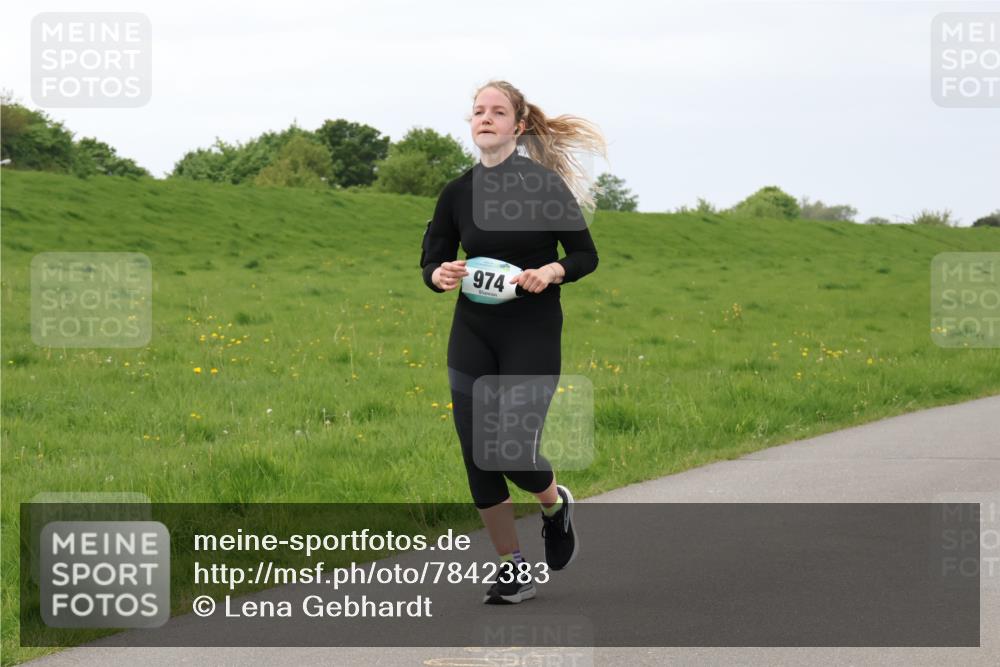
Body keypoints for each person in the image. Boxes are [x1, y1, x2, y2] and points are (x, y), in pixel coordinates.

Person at [420, 80, 607, 604]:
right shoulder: (457, 191)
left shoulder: (545, 186)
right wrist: (440, 275)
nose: (485, 118)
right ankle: (512, 567)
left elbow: (585, 255)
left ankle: (554, 505)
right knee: (477, 453)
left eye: (497, 111)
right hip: (473, 332)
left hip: (533, 330)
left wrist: (552, 269)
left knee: (511, 450)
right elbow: (432, 257)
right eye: (477, 111)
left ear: (518, 126)